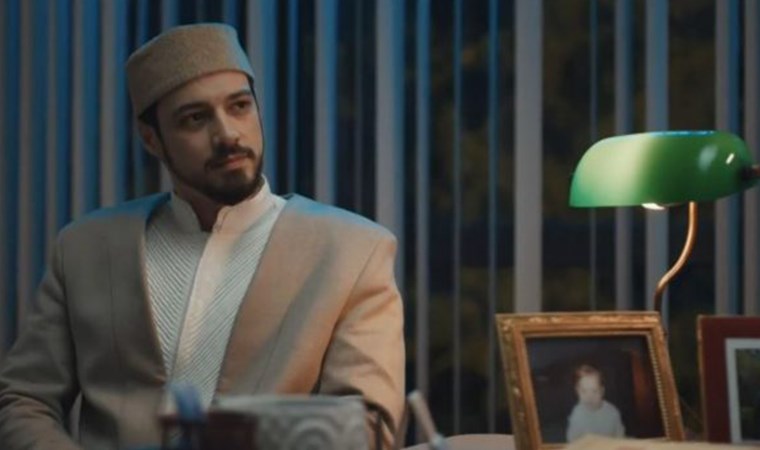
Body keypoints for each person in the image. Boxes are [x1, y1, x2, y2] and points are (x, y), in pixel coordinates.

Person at [0, 23, 404, 450]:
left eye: (240, 106)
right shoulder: (85, 248)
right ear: (152, 139)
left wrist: (234, 434)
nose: (228, 134)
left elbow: (368, 426)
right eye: (195, 118)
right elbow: (23, 400)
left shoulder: (352, 251)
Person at [566, 364, 625, 442]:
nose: (589, 397)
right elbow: (572, 440)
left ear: (602, 391)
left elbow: (620, 435)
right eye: (584, 391)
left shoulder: (612, 412)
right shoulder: (576, 414)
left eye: (594, 391)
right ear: (577, 391)